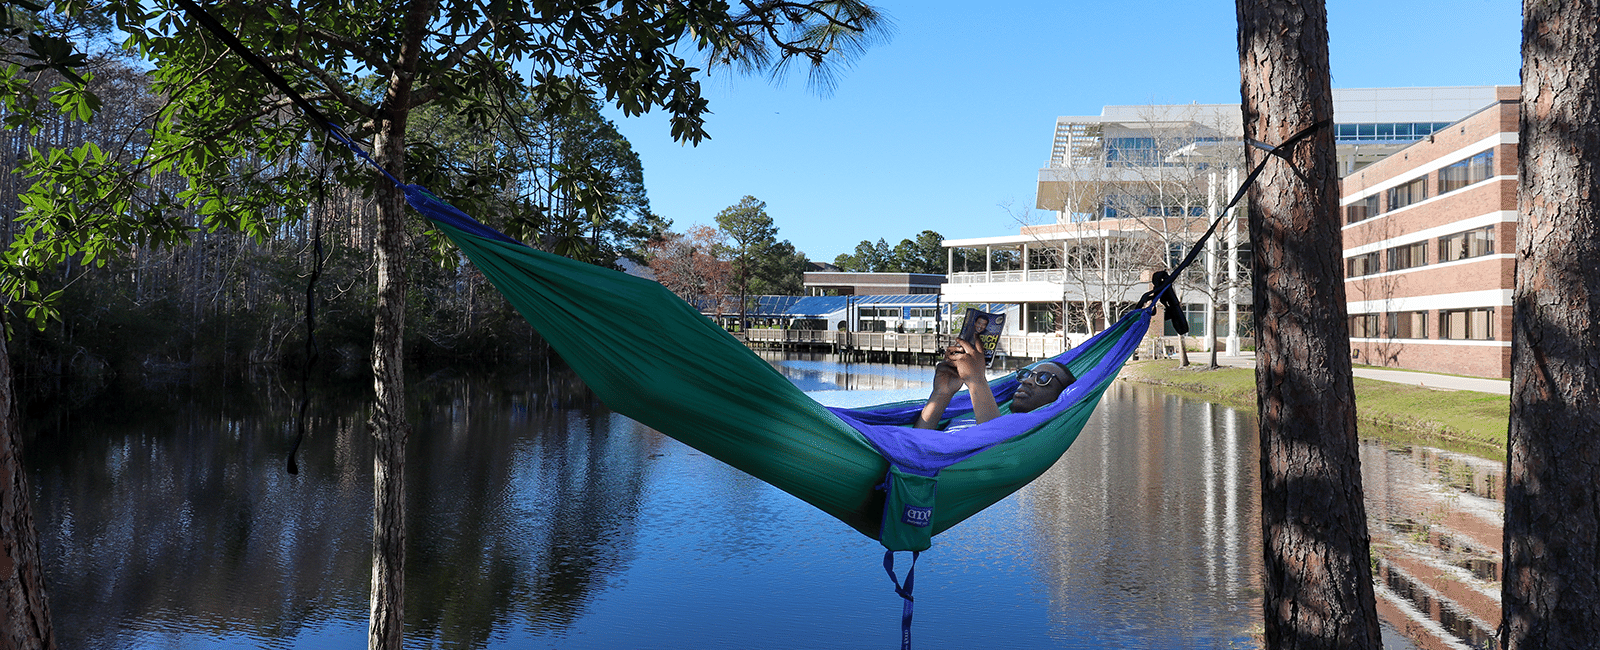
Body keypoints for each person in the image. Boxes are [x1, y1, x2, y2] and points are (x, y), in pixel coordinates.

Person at [913, 337, 1076, 432]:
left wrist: (976, 380)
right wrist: (941, 393)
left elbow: (992, 446)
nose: (1027, 381)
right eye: (1026, 374)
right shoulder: (988, 418)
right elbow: (915, 446)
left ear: (1060, 398)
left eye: (1043, 378)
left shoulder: (1022, 437)